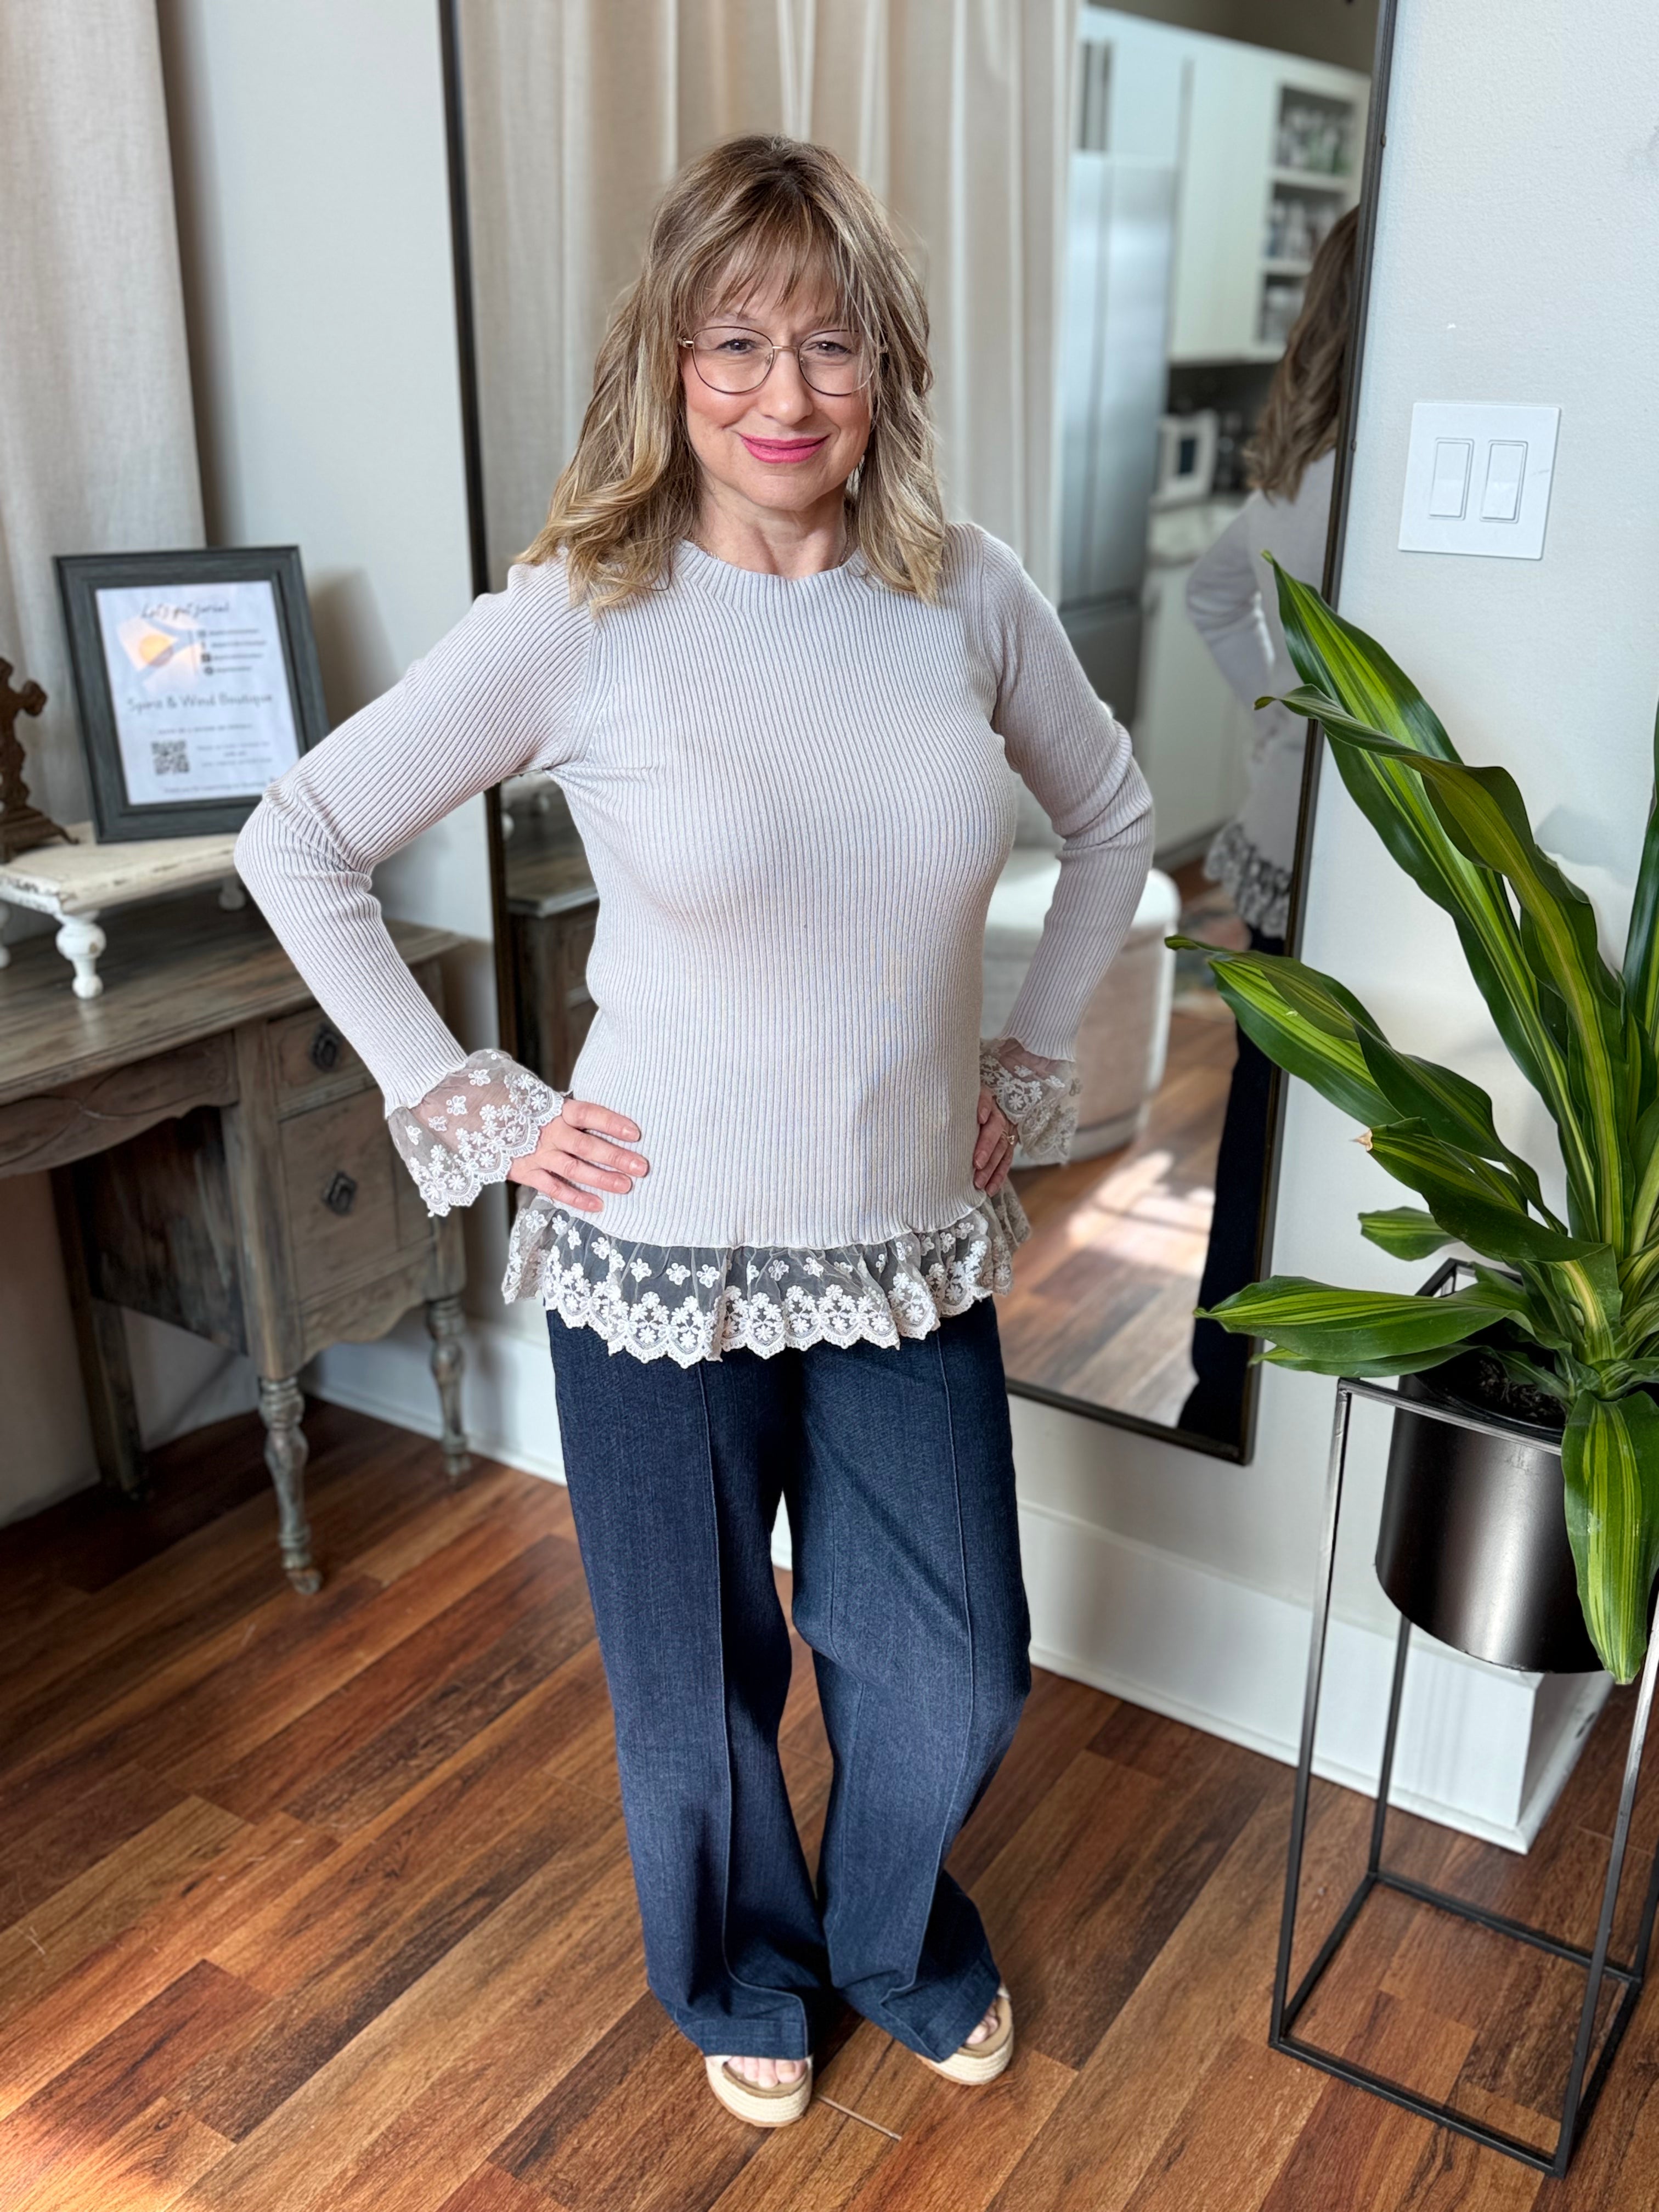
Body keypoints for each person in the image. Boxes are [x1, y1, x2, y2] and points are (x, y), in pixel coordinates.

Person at [236, 136, 1152, 2129]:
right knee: (691, 1710)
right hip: (653, 1255)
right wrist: (462, 1094)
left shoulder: (964, 597)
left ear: (887, 368)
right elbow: (296, 837)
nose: (783, 393)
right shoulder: (581, 611)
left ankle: (893, 1940)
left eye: (829, 345)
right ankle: (739, 1965)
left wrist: (1023, 1067)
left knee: (957, 1669)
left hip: (903, 1243)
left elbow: (1117, 820)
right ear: (666, 362)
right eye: (733, 342)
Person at [1177, 207, 1359, 1444]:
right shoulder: (1370, 476)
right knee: (1313, 1130)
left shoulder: (1303, 471)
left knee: (1258, 1118)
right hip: (1338, 853)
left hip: (1281, 836)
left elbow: (1210, 591)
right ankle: (1267, 1402)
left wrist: (1272, 706)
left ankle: (1218, 1383)